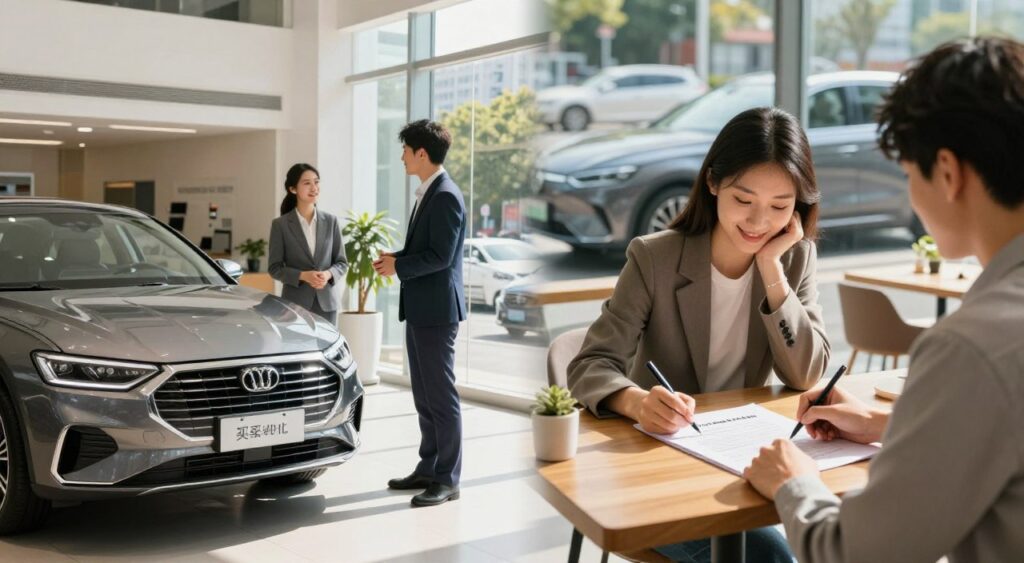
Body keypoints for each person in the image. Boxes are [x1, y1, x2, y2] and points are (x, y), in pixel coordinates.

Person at [744, 37, 1024, 563]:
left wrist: (794, 482)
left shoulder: (971, 347)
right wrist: (890, 426)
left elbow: (857, 553)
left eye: (908, 174)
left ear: (947, 171)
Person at [568, 106, 830, 561]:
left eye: (779, 207)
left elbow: (808, 374)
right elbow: (591, 364)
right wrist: (636, 402)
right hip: (661, 467)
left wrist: (771, 271)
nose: (758, 222)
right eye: (743, 200)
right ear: (713, 184)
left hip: (744, 459)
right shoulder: (654, 258)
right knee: (770, 558)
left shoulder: (793, 258)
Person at [373, 119, 467, 507]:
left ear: (421, 154)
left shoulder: (444, 195)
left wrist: (400, 268)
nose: (401, 157)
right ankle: (428, 468)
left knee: (441, 397)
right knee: (425, 396)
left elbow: (442, 258)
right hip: (422, 308)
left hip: (437, 311)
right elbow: (428, 249)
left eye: (405, 150)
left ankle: (447, 479)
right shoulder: (429, 191)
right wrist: (398, 258)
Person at [268, 163, 348, 325]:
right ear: (293, 189)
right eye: (307, 183)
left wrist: (327, 274)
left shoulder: (331, 221)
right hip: (294, 305)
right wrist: (303, 275)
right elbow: (275, 268)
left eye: (316, 182)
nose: (314, 187)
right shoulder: (281, 225)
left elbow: (342, 263)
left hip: (327, 304)